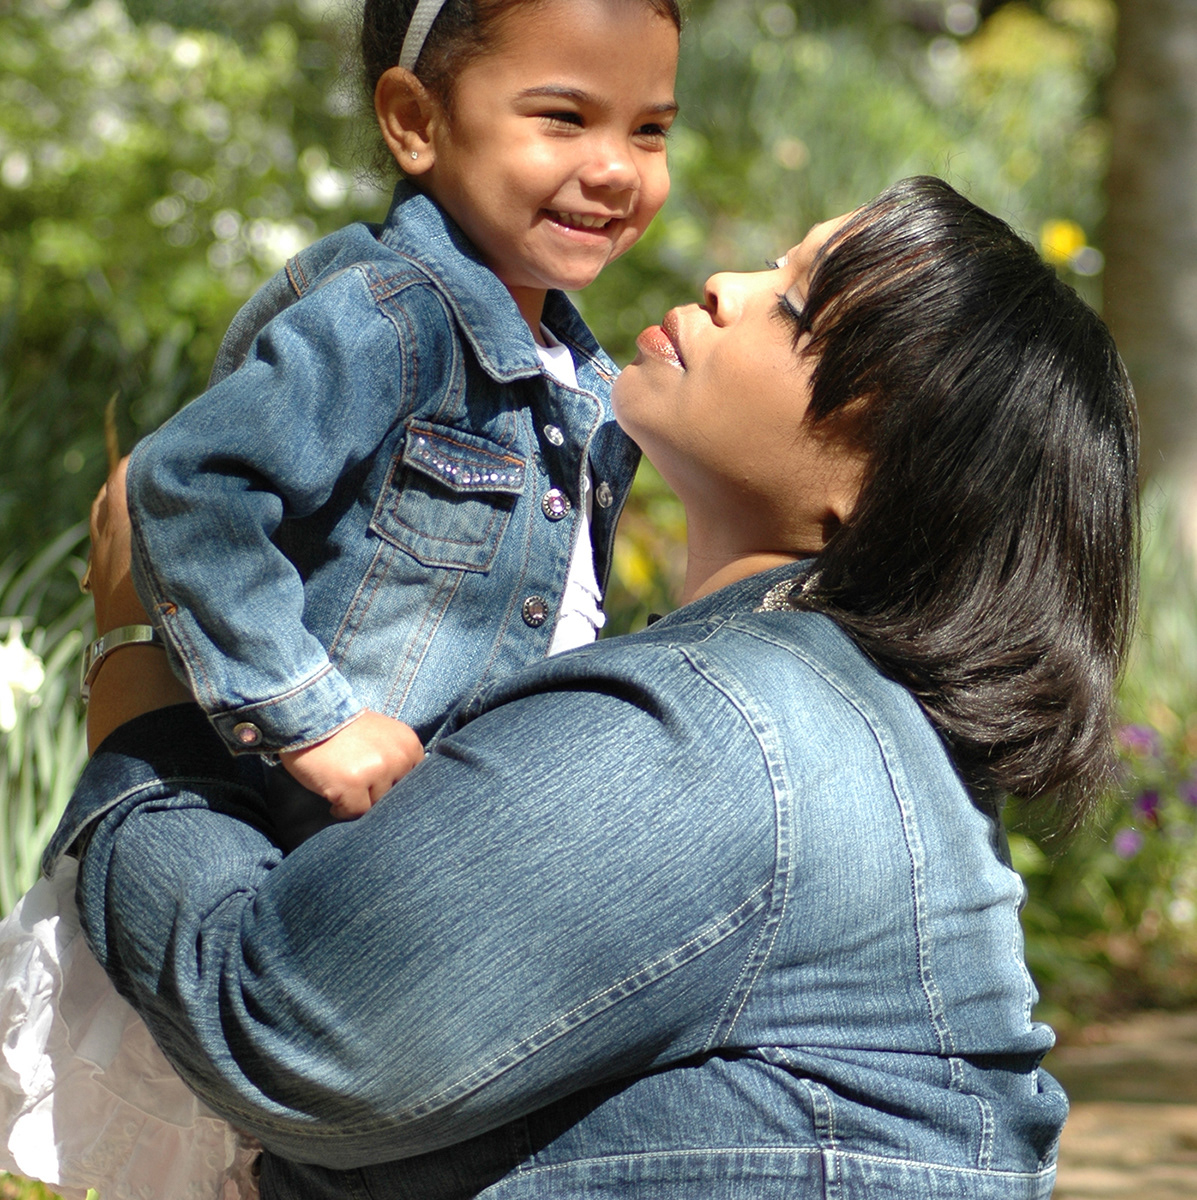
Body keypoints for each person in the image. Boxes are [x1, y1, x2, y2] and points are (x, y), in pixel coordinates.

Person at [51, 178, 1137, 1198]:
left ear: (886, 479)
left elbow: (282, 1022)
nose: (728, 286)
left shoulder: (729, 732)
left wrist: (141, 674)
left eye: (794, 307)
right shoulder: (823, 715)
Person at [112, 0, 681, 827]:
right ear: (416, 121)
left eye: (649, 128)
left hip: (459, 858)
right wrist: (312, 720)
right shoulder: (390, 321)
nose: (616, 168)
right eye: (563, 117)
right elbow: (189, 486)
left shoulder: (584, 380)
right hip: (308, 858)